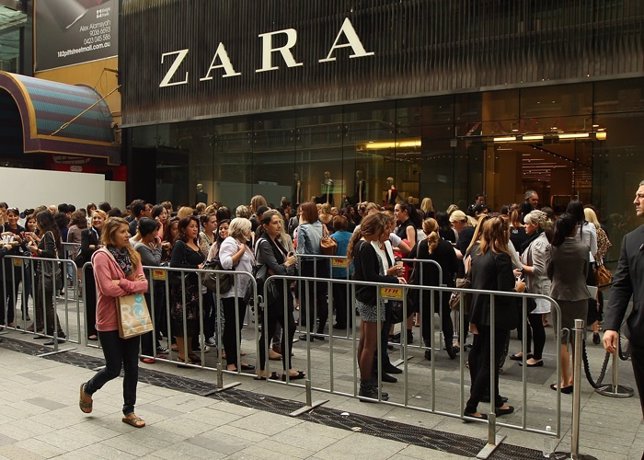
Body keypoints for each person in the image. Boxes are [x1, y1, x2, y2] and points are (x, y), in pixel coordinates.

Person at [79, 217, 148, 428]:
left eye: (128, 231)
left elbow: (144, 284)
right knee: (113, 368)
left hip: (131, 316)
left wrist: (122, 282)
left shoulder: (132, 254)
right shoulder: (101, 256)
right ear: (111, 234)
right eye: (122, 232)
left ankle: (129, 410)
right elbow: (107, 289)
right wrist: (130, 284)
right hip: (109, 319)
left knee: (133, 367)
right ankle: (88, 388)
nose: (128, 235)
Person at [465, 216, 522, 420]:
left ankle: (495, 400)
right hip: (496, 314)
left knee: (479, 353)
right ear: (503, 233)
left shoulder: (476, 252)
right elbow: (505, 289)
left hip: (478, 310)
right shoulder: (501, 257)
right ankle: (471, 406)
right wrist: (519, 287)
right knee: (490, 360)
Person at [347, 212, 406, 401]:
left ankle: (368, 383)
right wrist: (394, 279)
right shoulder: (365, 247)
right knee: (369, 345)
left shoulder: (363, 245)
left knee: (366, 343)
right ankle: (366, 386)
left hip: (369, 297)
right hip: (372, 298)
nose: (385, 233)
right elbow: (371, 277)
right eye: (382, 230)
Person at [603, 180, 644, 416]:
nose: (635, 200)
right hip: (641, 336)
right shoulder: (632, 239)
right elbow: (621, 285)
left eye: (640, 196)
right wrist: (611, 325)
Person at [254, 210, 303, 380]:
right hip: (272, 294)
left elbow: (289, 267)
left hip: (281, 291)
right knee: (272, 329)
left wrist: (288, 265)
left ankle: (284, 368)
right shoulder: (264, 243)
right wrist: (288, 263)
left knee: (284, 327)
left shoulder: (277, 242)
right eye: (274, 223)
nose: (279, 225)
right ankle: (264, 369)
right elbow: (280, 268)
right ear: (265, 225)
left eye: (279, 222)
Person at [547, 213, 591, 394]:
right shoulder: (583, 248)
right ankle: (574, 379)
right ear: (574, 228)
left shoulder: (554, 248)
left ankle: (565, 381)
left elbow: (549, 271)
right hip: (580, 295)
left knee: (562, 340)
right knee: (577, 339)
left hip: (559, 294)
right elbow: (586, 272)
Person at [510, 210, 551, 367]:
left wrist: (520, 266)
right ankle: (527, 351)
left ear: (535, 225)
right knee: (526, 320)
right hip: (531, 287)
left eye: (527, 223)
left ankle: (537, 356)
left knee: (536, 323)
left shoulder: (540, 243)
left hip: (537, 288)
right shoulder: (537, 240)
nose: (524, 226)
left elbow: (539, 270)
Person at [415, 218, 458, 361]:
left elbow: (412, 258)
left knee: (426, 317)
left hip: (425, 286)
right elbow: (454, 267)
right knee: (445, 316)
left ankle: (428, 348)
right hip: (443, 286)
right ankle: (449, 346)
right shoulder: (446, 246)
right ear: (438, 228)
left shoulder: (421, 245)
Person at [218, 217, 255, 372]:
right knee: (231, 326)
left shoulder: (244, 244)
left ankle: (237, 358)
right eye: (248, 229)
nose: (250, 232)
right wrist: (241, 250)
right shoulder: (229, 242)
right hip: (232, 291)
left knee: (238, 325)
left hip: (242, 291)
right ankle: (231, 362)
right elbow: (226, 263)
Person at [26, 211, 66, 343]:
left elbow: (49, 253)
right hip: (43, 272)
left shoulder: (49, 234)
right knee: (43, 303)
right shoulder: (49, 233)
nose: (36, 224)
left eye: (37, 221)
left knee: (47, 304)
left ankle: (58, 332)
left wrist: (36, 250)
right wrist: (36, 242)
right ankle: (49, 331)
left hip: (47, 273)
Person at [169, 216, 205, 365]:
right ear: (184, 229)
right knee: (181, 319)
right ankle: (182, 354)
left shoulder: (196, 244)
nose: (195, 229)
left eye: (196, 226)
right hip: (182, 288)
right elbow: (175, 265)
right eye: (192, 226)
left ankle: (189, 350)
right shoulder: (180, 244)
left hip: (194, 288)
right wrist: (195, 268)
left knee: (192, 319)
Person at [134, 218, 166, 363]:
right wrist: (159, 247)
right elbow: (155, 262)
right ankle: (146, 351)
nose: (156, 234)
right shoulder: (141, 247)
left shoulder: (149, 245)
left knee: (155, 319)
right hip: (147, 288)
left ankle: (153, 349)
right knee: (148, 319)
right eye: (154, 231)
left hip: (156, 285)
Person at [296, 201, 330, 340]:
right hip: (323, 264)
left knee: (308, 299)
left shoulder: (302, 228)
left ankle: (309, 332)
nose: (299, 213)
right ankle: (321, 330)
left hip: (308, 266)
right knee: (322, 298)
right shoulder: (321, 225)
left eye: (301, 211)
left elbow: (300, 250)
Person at [78, 210, 107, 341]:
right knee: (91, 300)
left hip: (105, 271)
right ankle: (91, 329)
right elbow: (84, 249)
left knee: (104, 301)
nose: (96, 220)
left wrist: (94, 247)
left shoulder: (108, 232)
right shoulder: (86, 232)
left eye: (99, 218)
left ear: (104, 219)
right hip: (90, 270)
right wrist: (98, 247)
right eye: (94, 218)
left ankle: (104, 328)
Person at [330, 215, 353, 329]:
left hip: (336, 270)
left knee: (339, 298)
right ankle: (350, 320)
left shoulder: (333, 237)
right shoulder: (352, 236)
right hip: (350, 269)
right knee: (349, 296)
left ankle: (341, 321)